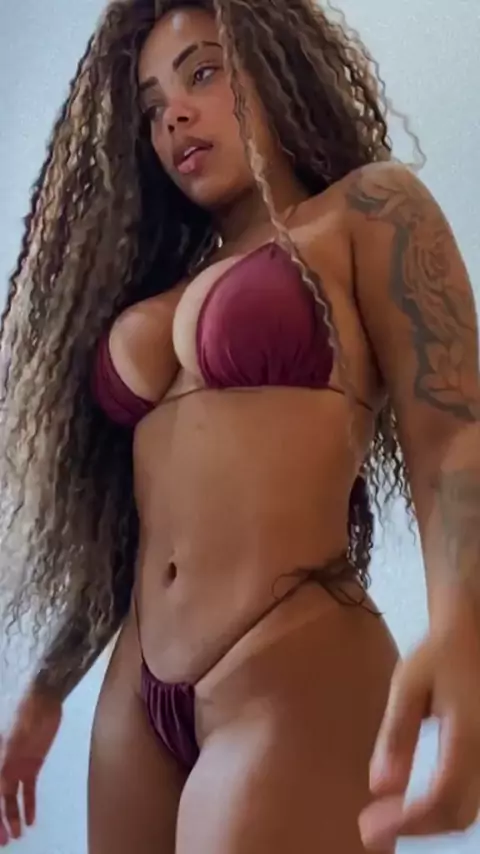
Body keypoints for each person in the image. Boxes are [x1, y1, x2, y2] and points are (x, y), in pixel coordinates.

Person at [0, 0, 479, 851]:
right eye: (152, 106)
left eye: (203, 73)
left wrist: (465, 631)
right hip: (134, 699)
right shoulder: (154, 289)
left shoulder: (366, 211)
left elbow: (451, 434)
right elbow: (126, 527)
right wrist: (46, 691)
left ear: (277, 69)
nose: (174, 115)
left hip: (287, 667)